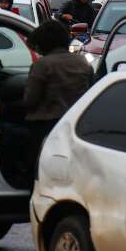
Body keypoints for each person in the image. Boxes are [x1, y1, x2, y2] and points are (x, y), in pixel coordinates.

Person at [24, 20, 94, 173]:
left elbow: (31, 101)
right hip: (74, 127)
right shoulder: (83, 62)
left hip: (43, 127)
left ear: (43, 43)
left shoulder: (42, 65)